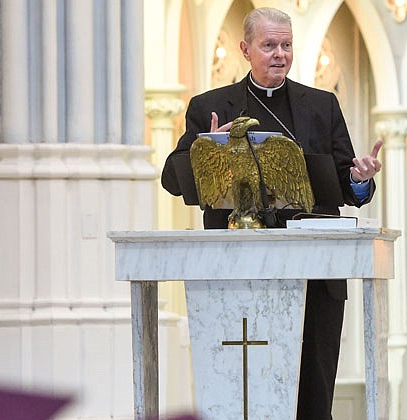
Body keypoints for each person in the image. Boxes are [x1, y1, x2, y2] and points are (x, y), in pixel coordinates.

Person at [161, 7, 382, 420]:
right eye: (269, 45)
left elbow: (348, 187)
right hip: (236, 275)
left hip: (315, 274)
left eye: (286, 45)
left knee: (313, 399)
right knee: (243, 395)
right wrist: (205, 149)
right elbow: (172, 181)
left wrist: (359, 178)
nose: (280, 54)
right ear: (246, 49)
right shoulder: (209, 106)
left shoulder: (322, 105)